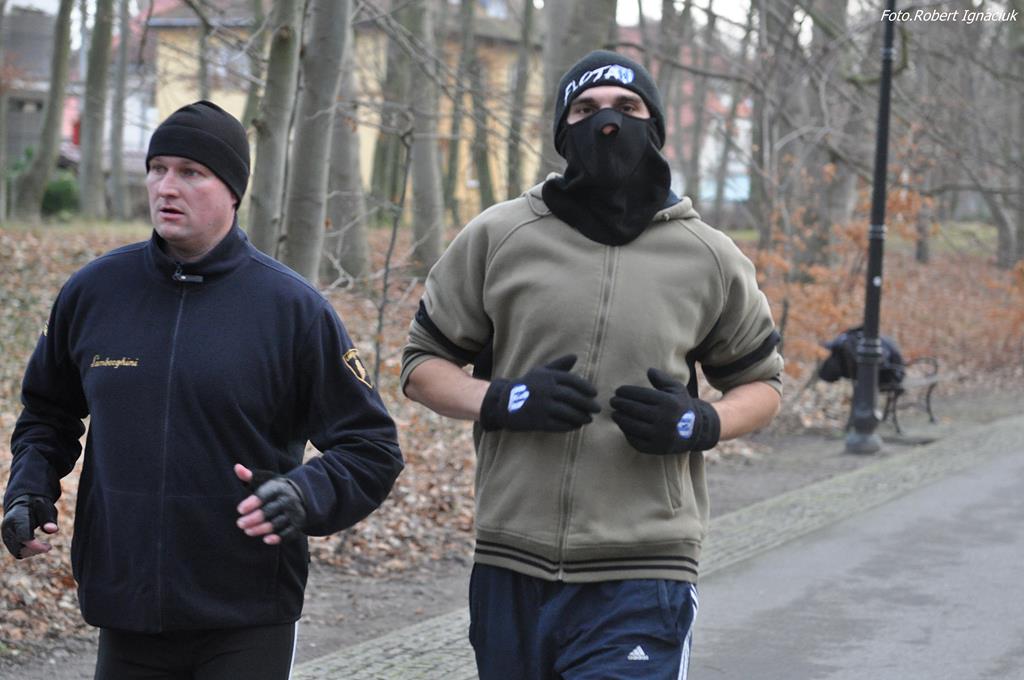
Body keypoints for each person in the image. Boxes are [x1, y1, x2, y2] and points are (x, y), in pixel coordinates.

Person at [401, 50, 783, 679]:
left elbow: (762, 385)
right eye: (585, 110)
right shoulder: (500, 236)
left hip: (645, 567)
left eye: (627, 107)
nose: (608, 123)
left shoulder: (708, 256)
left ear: (654, 126)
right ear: (562, 133)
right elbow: (421, 365)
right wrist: (504, 399)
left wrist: (700, 422)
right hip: (511, 561)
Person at [1, 100, 404, 679]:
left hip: (246, 612)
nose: (167, 186)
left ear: (233, 192)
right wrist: (28, 488)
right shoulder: (94, 292)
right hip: (126, 604)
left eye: (191, 172)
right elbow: (47, 413)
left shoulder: (292, 309)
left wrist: (304, 494)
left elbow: (371, 447)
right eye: (157, 168)